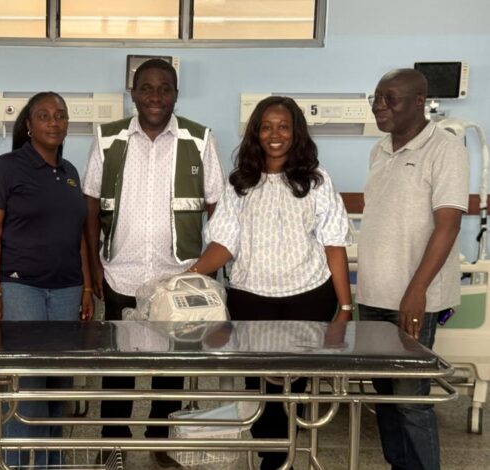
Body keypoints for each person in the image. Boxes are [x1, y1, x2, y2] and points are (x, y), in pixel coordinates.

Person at [188, 96, 352, 470]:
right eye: (266, 127)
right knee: (260, 387)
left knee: (294, 387)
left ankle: (285, 456)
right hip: (251, 299)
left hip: (308, 296)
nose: (274, 134)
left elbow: (334, 243)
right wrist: (190, 277)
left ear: (296, 132)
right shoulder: (240, 183)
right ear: (255, 133)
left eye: (283, 126)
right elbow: (224, 243)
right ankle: (272, 456)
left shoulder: (317, 180)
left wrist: (344, 307)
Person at [83, 58, 225, 468]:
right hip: (121, 274)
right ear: (133, 93)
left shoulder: (199, 139)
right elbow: (90, 205)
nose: (155, 96)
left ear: (176, 94)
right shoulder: (108, 138)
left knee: (171, 366)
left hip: (178, 276)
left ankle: (161, 438)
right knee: (118, 366)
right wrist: (94, 266)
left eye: (165, 88)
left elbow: (217, 206)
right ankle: (113, 441)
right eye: (146, 87)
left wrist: (207, 270)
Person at [357, 69, 468, 470]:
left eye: (390, 98)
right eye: (376, 97)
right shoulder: (379, 151)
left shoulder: (445, 149)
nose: (379, 106)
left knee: (410, 400)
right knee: (386, 399)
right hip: (374, 296)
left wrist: (416, 290)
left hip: (412, 299)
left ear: (420, 102)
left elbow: (448, 225)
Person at [0, 91, 94, 468]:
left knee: (59, 386)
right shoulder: (6, 168)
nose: (54, 122)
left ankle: (51, 463)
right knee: (27, 387)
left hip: (67, 290)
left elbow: (79, 237)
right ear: (28, 124)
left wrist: (86, 287)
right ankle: (17, 463)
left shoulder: (70, 173)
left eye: (60, 115)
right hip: (21, 287)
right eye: (44, 115)